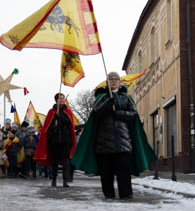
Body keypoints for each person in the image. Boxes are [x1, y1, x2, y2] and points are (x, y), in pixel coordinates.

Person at [71, 71, 156, 199]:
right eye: (111, 79)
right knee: (106, 172)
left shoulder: (126, 98)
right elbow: (96, 113)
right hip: (104, 143)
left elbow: (133, 115)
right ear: (107, 82)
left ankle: (126, 194)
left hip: (123, 142)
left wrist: (119, 113)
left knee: (124, 171)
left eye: (116, 79)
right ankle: (108, 194)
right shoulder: (101, 97)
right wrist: (108, 104)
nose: (114, 81)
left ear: (119, 82)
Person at [34, 93, 76, 187]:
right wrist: (54, 126)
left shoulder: (67, 111)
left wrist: (59, 117)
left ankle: (65, 180)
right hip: (55, 140)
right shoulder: (51, 112)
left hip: (65, 140)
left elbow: (69, 122)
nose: (62, 100)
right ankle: (54, 179)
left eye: (63, 98)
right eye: (60, 98)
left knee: (65, 161)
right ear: (56, 100)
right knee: (55, 161)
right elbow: (47, 127)